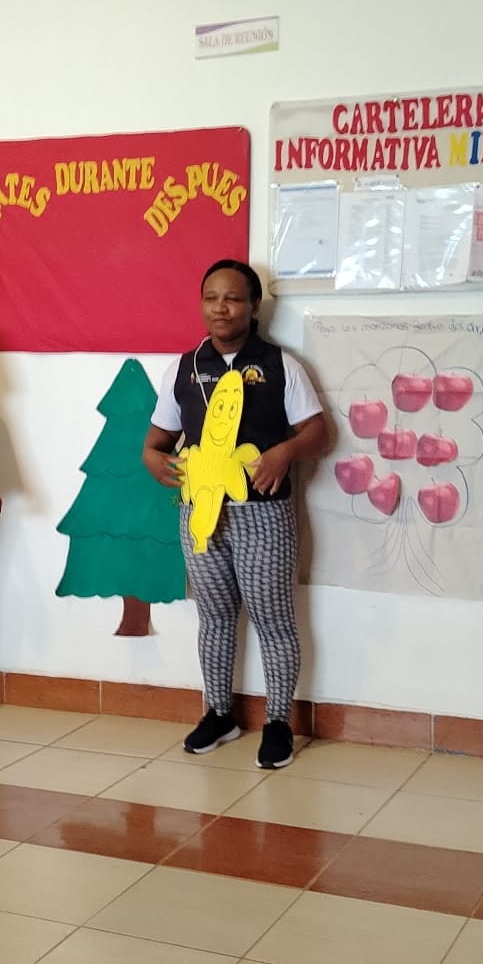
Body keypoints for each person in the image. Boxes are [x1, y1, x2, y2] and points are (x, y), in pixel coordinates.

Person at [144, 259, 327, 769]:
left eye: (233, 298)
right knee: (215, 616)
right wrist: (154, 459)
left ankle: (278, 723)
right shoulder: (184, 369)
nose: (221, 308)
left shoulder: (280, 366)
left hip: (263, 514)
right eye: (211, 298)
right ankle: (219, 714)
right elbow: (157, 440)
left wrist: (285, 452)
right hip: (201, 517)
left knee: (273, 618)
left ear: (254, 306)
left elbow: (318, 431)